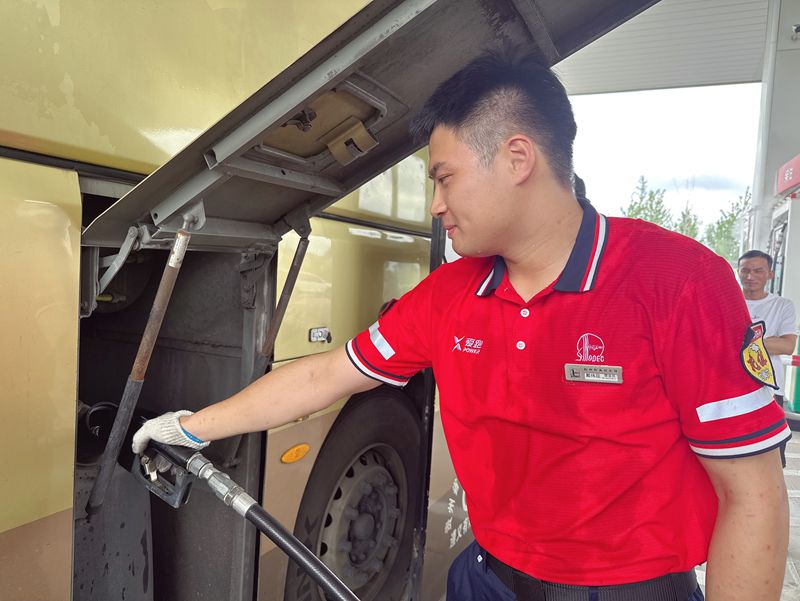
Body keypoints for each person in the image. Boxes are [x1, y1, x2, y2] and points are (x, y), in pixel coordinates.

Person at [132, 48, 790, 601]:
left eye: (445, 179)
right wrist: (190, 426)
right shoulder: (451, 293)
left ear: (518, 158)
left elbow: (753, 496)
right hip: (487, 577)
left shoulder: (679, 281)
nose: (436, 205)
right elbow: (325, 376)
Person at [738, 250, 798, 467]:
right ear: (738, 272)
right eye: (745, 270)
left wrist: (739, 340)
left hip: (770, 388)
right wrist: (765, 341)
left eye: (758, 271)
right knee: (735, 455)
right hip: (732, 389)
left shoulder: (782, 305)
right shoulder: (727, 302)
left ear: (770, 274)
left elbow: (787, 346)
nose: (750, 276)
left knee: (772, 456)